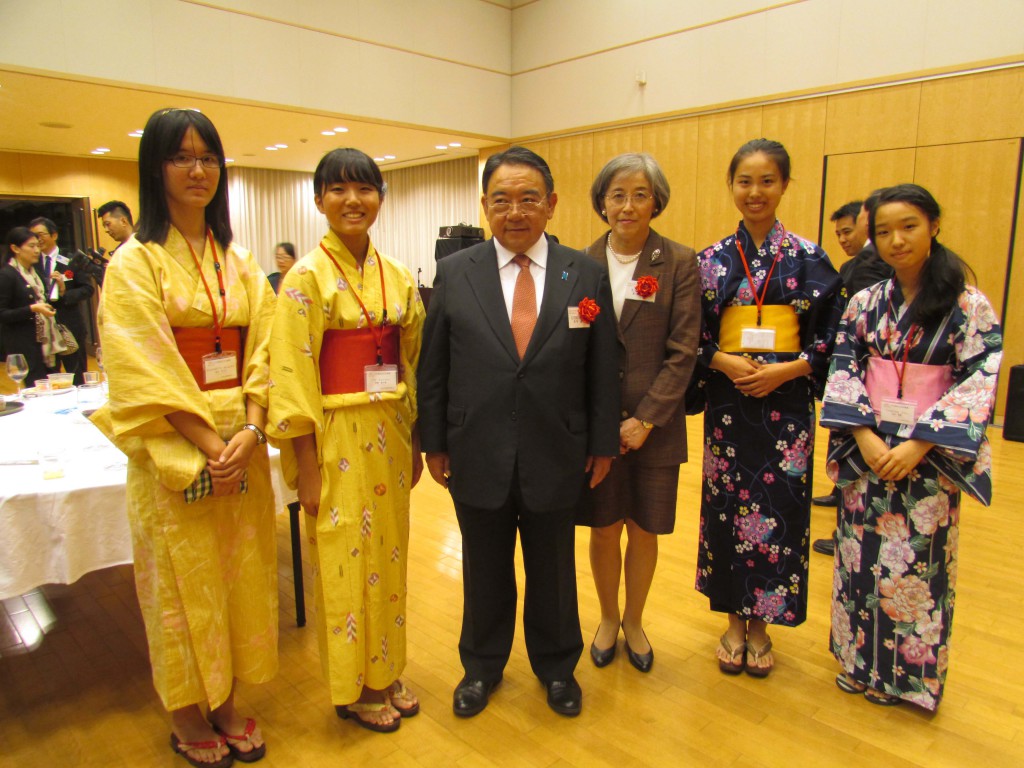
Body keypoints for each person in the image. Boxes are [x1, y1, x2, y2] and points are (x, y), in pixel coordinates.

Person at [93, 107, 277, 767]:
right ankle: (185, 710)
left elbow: (269, 347)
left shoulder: (240, 260)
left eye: (208, 157)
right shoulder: (135, 263)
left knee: (239, 578)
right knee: (180, 583)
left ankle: (225, 700)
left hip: (243, 445)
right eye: (181, 157)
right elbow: (141, 361)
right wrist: (208, 443)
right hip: (173, 446)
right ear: (156, 168)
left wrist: (253, 430)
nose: (198, 170)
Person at [418, 146, 620, 718]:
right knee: (483, 567)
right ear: (484, 205)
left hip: (558, 450)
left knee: (553, 568)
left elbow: (603, 367)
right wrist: (433, 441)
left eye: (529, 198)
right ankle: (481, 667)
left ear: (551, 204)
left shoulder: (583, 273)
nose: (515, 211)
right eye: (501, 199)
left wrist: (603, 441)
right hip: (475, 449)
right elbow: (433, 367)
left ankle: (557, 667)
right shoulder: (457, 273)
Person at [820, 183, 1001, 709]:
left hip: (929, 458)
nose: (895, 240)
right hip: (869, 448)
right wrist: (862, 435)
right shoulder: (864, 303)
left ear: (934, 225)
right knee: (859, 558)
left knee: (917, 566)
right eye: (883, 231)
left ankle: (906, 677)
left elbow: (979, 377)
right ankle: (857, 661)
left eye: (908, 227)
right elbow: (844, 367)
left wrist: (919, 444)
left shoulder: (968, 305)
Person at [267, 149, 425, 733]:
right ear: (318, 201)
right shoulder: (305, 277)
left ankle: (385, 668)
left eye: (364, 188)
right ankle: (354, 686)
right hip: (334, 432)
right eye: (337, 190)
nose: (352, 200)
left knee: (389, 554)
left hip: (388, 428)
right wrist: (304, 465)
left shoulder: (399, 274)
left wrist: (412, 437)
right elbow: (290, 372)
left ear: (381, 197)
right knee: (343, 559)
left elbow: (411, 358)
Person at [692, 138, 843, 677]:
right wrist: (724, 362)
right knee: (728, 510)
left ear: (784, 185)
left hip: (788, 409)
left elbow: (832, 337)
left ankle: (763, 626)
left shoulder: (811, 258)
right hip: (730, 407)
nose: (755, 192)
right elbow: (693, 337)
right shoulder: (709, 261)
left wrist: (791, 368)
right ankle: (733, 619)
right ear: (731, 186)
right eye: (744, 181)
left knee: (779, 512)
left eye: (767, 181)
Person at [577, 153, 701, 672]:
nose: (627, 206)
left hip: (658, 427)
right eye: (617, 195)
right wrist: (601, 422)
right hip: (598, 429)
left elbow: (684, 349)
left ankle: (634, 620)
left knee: (644, 529)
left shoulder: (677, 262)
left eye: (639, 195)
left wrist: (646, 418)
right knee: (604, 529)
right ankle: (607, 618)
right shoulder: (578, 262)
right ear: (602, 202)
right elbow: (573, 348)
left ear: (657, 202)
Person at [812, 195, 894, 551]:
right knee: (853, 446)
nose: (843, 239)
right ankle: (842, 511)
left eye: (849, 231)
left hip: (876, 382)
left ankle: (848, 532)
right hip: (856, 375)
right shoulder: (860, 264)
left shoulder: (869, 265)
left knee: (871, 458)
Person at [29, 216, 92, 384]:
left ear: (54, 235)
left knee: (77, 375)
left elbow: (87, 289)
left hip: (70, 325)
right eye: (34, 236)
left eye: (41, 234)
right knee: (49, 378)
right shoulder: (32, 263)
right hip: (45, 330)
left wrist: (65, 292)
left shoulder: (71, 259)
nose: (38, 239)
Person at [0, 227, 63, 387]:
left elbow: (45, 301)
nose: (36, 250)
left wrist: (60, 289)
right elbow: (3, 313)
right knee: (36, 390)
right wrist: (32, 309)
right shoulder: (7, 275)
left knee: (54, 388)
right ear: (15, 248)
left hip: (46, 343)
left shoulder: (36, 273)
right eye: (31, 246)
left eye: (37, 245)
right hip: (25, 345)